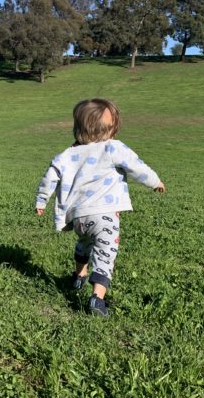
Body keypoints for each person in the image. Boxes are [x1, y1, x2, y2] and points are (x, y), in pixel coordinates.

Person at [35, 98, 165, 317]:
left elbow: (50, 177)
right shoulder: (113, 147)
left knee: (84, 243)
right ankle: (97, 298)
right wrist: (155, 182)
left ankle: (78, 276)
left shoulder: (68, 154)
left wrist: (41, 201)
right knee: (105, 254)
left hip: (79, 219)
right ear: (112, 128)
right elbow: (136, 166)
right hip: (104, 217)